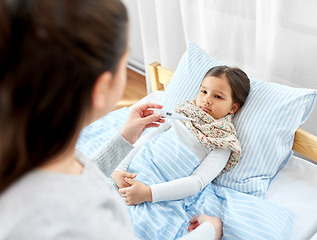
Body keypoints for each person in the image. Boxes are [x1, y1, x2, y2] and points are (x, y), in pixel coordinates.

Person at [0, 0, 222, 239]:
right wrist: (210, 230)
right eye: (124, 64)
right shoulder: (96, 223)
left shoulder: (31, 154)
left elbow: (78, 180)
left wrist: (124, 137)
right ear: (102, 88)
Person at [111, 66, 251, 205]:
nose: (206, 100)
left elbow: (197, 182)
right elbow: (147, 138)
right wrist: (118, 170)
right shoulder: (182, 113)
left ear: (233, 107)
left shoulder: (223, 142)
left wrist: (148, 193)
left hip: (159, 195)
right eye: (203, 91)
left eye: (218, 96)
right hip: (130, 175)